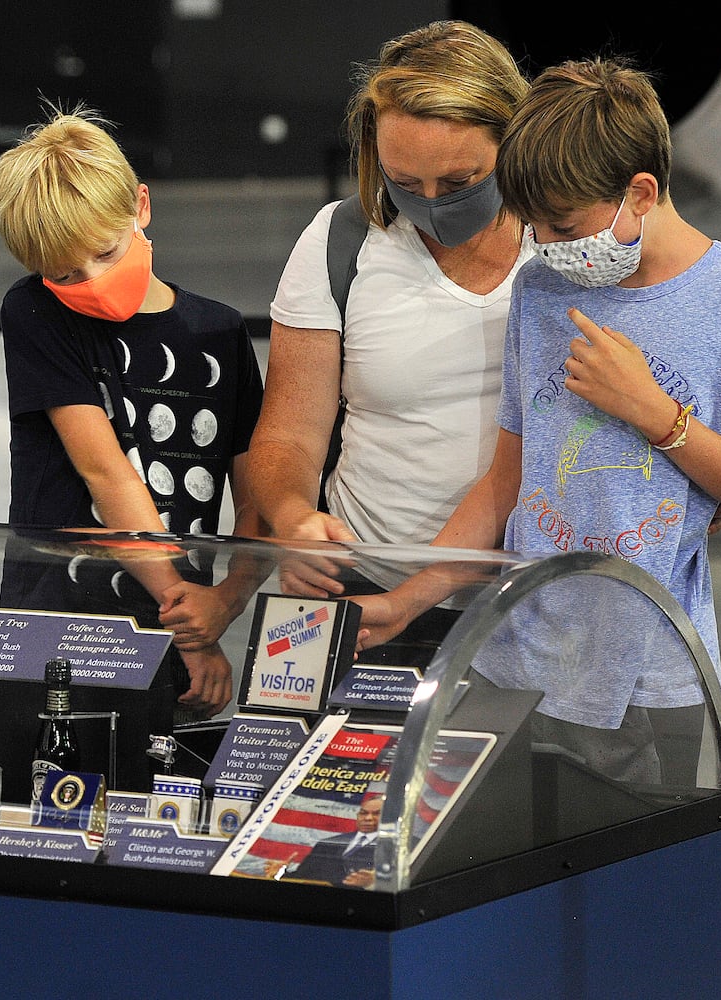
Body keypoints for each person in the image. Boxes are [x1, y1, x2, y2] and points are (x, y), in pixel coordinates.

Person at [353, 58, 721, 780]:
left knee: (632, 880)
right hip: (513, 658)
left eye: (563, 225)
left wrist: (658, 417)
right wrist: (405, 601)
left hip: (647, 679)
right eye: (535, 228)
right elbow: (506, 481)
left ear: (639, 192)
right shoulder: (542, 289)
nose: (547, 246)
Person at [248, 20, 534, 664]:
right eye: (404, 182)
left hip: (534, 599)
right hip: (365, 591)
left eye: (459, 184)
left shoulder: (568, 246)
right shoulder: (338, 242)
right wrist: (295, 520)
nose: (430, 204)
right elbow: (288, 435)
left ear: (514, 141)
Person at [0, 105, 268, 731]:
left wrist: (223, 603)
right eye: (63, 274)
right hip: (60, 620)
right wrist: (192, 625)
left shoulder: (218, 330)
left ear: (141, 206)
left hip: (177, 616)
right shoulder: (34, 312)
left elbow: (260, 498)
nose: (90, 283)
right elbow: (106, 474)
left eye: (107, 254)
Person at [290, 793, 382, 889]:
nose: (368, 818)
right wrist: (279, 873)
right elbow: (301, 876)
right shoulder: (327, 843)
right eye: (363, 813)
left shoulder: (394, 848)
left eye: (377, 813)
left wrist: (372, 883)